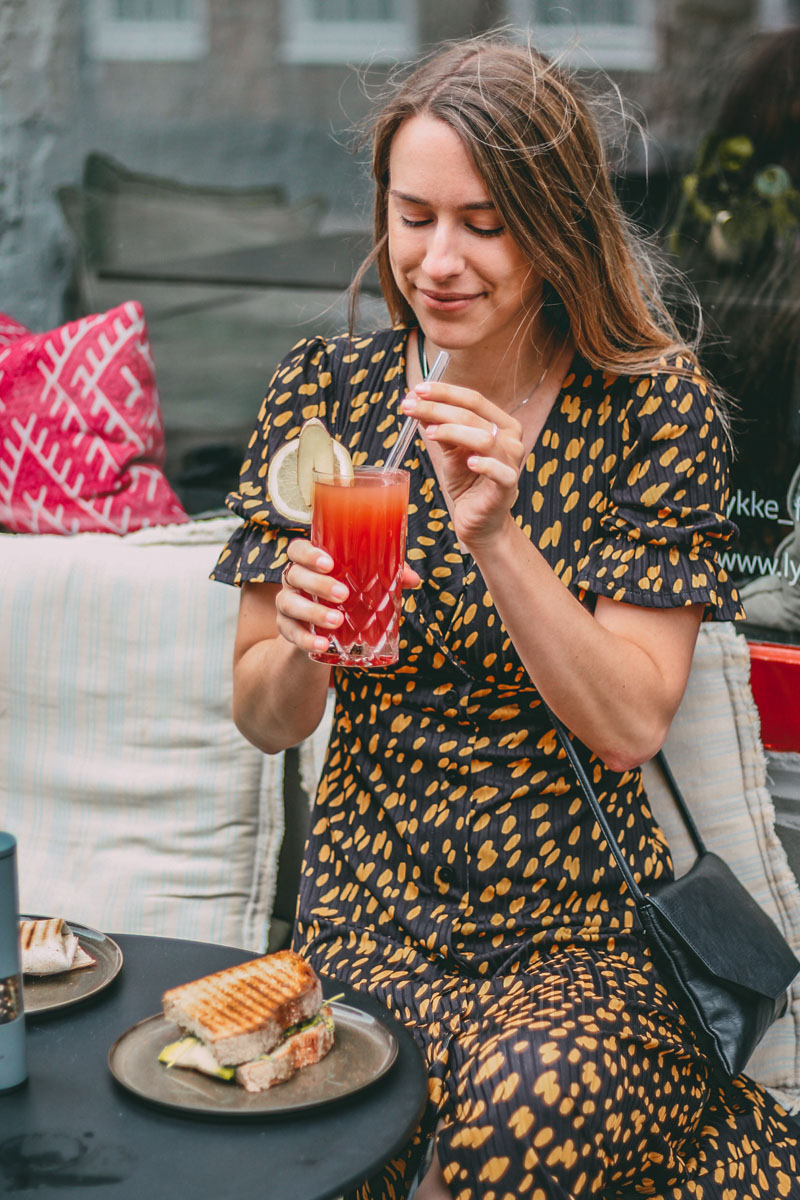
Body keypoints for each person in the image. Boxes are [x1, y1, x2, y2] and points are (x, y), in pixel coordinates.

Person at [212, 36, 800, 1200]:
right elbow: (262, 718)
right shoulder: (327, 395)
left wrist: (496, 535)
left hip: (581, 931)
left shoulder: (650, 409)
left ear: (557, 223)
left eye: (483, 222)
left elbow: (629, 721)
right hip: (369, 918)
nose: (438, 260)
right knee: (340, 1149)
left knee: (507, 1133)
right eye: (412, 214)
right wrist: (301, 646)